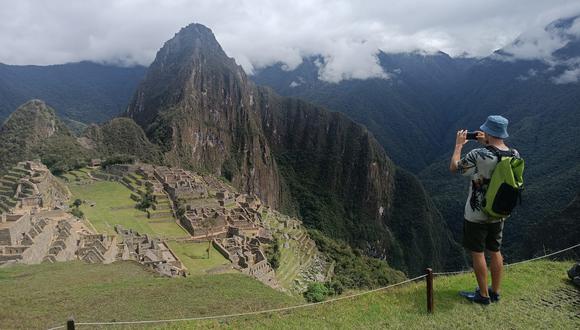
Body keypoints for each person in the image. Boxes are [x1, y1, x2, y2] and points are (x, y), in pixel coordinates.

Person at [449, 115, 520, 305]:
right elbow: (498, 156)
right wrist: (488, 141)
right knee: (495, 251)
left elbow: (455, 168)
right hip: (499, 212)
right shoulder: (514, 154)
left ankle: (483, 295)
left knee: (478, 253)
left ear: (488, 132)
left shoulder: (478, 155)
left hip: (476, 214)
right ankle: (495, 292)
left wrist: (458, 146)